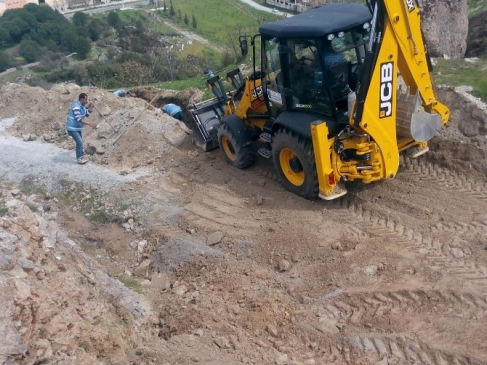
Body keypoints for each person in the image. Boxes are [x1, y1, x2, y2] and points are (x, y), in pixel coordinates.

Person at [66, 93, 97, 164]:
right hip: (72, 128)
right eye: (86, 99)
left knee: (80, 142)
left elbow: (87, 114)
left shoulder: (82, 106)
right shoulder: (76, 107)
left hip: (77, 128)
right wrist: (89, 124)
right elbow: (78, 119)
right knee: (79, 142)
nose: (87, 101)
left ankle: (81, 154)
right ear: (81, 99)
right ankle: (79, 157)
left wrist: (91, 108)